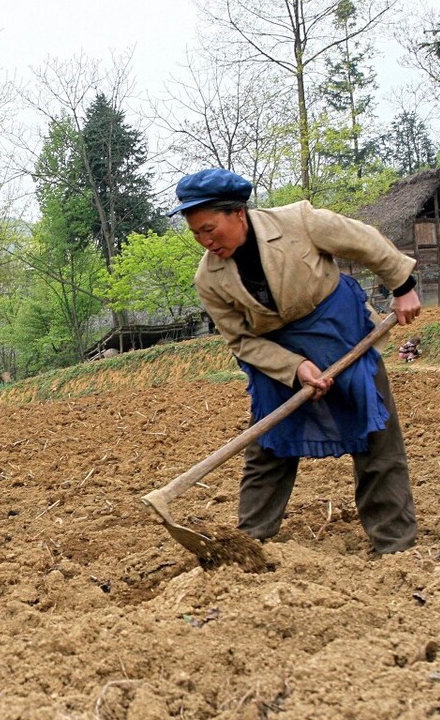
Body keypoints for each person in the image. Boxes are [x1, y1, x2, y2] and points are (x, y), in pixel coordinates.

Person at [169, 168, 421, 555]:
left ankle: (395, 543)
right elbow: (241, 340)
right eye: (196, 234)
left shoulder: (298, 222)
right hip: (277, 353)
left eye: (209, 229)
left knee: (374, 432)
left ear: (238, 213)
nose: (205, 242)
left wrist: (402, 288)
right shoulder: (209, 278)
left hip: (339, 332)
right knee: (269, 444)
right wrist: (293, 368)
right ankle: (250, 541)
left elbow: (364, 242)